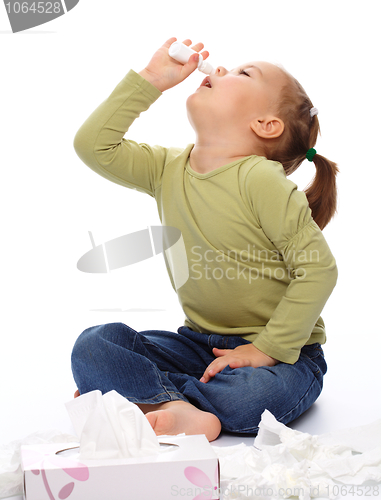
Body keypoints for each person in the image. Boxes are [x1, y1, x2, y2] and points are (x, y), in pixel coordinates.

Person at [71, 37, 338, 442]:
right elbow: (94, 146)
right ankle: (176, 406)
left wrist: (265, 349)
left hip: (285, 356)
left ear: (266, 125)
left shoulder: (261, 179)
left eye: (242, 73)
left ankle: (147, 397)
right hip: (198, 347)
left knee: (255, 398)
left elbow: (319, 270)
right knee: (94, 344)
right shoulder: (166, 168)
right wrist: (150, 81)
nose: (220, 70)